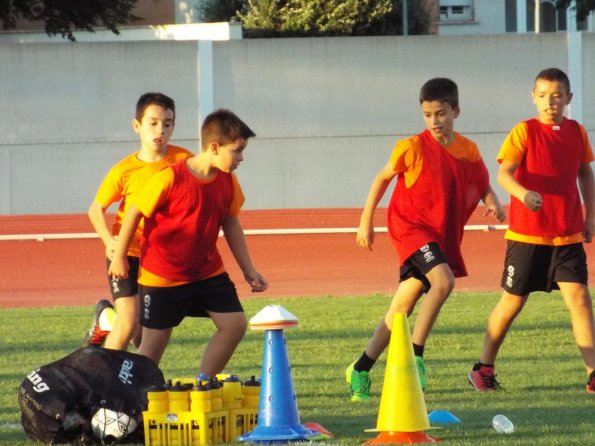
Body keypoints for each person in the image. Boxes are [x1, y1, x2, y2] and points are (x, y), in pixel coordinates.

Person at [346, 77, 505, 402]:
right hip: (410, 228)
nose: (434, 120)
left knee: (400, 309)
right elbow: (382, 177)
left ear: (455, 111)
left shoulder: (467, 150)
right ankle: (415, 355)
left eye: (441, 113)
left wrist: (493, 201)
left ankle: (359, 369)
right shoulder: (411, 147)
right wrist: (366, 221)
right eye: (428, 114)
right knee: (444, 282)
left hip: (438, 235)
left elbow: (481, 182)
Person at [108, 108, 268, 377]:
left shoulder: (228, 181)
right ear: (215, 147)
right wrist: (119, 256)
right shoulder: (169, 178)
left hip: (207, 273)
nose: (241, 158)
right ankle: (125, 402)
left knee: (235, 324)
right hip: (163, 278)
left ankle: (203, 385)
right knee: (153, 345)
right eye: (237, 150)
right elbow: (134, 212)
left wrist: (248, 270)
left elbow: (231, 222)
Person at [468, 67, 595, 393]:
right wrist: (524, 194)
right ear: (533, 98)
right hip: (527, 237)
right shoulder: (524, 132)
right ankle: (483, 369)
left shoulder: (577, 132)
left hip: (566, 236)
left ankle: (593, 373)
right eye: (542, 96)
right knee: (512, 303)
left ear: (569, 98)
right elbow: (504, 175)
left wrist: (590, 216)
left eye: (556, 95)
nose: (549, 102)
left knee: (580, 298)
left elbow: (585, 175)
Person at [84, 92, 193, 350]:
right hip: (127, 252)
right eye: (153, 123)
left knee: (144, 338)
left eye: (167, 124)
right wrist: (108, 242)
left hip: (159, 258)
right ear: (137, 126)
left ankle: (106, 319)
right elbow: (95, 209)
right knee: (129, 324)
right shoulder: (125, 170)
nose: (160, 130)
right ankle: (103, 384)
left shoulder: (183, 160)